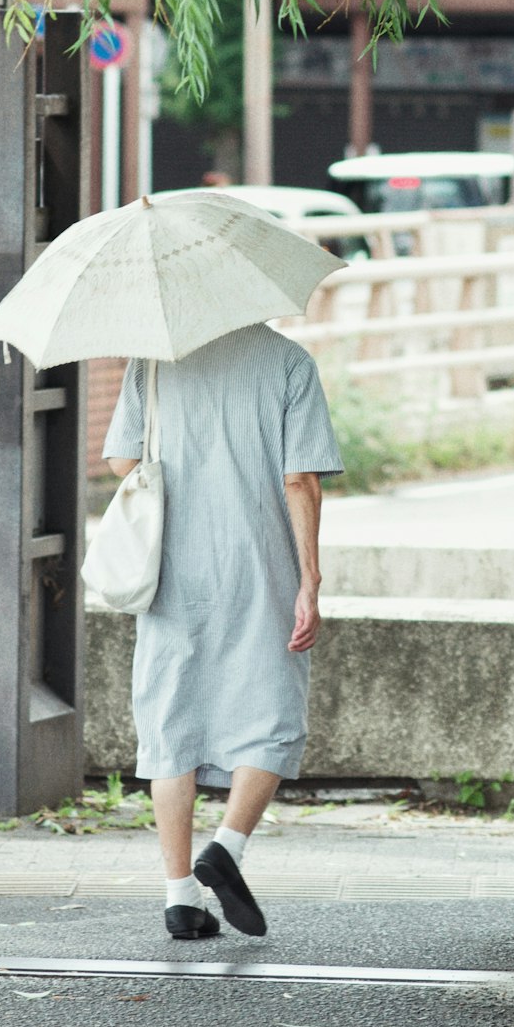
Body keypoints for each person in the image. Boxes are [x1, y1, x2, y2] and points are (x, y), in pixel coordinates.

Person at [102, 321, 342, 942]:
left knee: (170, 718)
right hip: (260, 562)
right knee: (273, 711)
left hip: (172, 564)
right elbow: (301, 478)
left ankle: (180, 896)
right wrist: (310, 578)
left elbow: (122, 460)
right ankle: (228, 846)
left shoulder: (151, 359)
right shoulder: (288, 362)